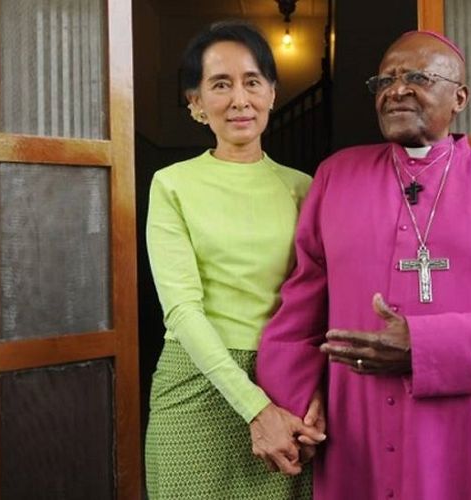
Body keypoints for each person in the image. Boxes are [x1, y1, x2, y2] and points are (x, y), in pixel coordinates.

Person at [255, 30, 471, 500]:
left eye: (417, 77)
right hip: (356, 424)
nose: (396, 89)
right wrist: (298, 403)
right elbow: (300, 305)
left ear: (459, 97)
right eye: (384, 80)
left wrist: (426, 347)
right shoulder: (337, 176)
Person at [144, 21, 325, 499]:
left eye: (252, 81)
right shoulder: (172, 184)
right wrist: (254, 409)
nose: (240, 99)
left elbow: (322, 300)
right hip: (196, 388)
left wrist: (320, 393)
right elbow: (181, 309)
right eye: (220, 84)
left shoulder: (305, 187)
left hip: (288, 384)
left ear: (272, 93)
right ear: (196, 103)